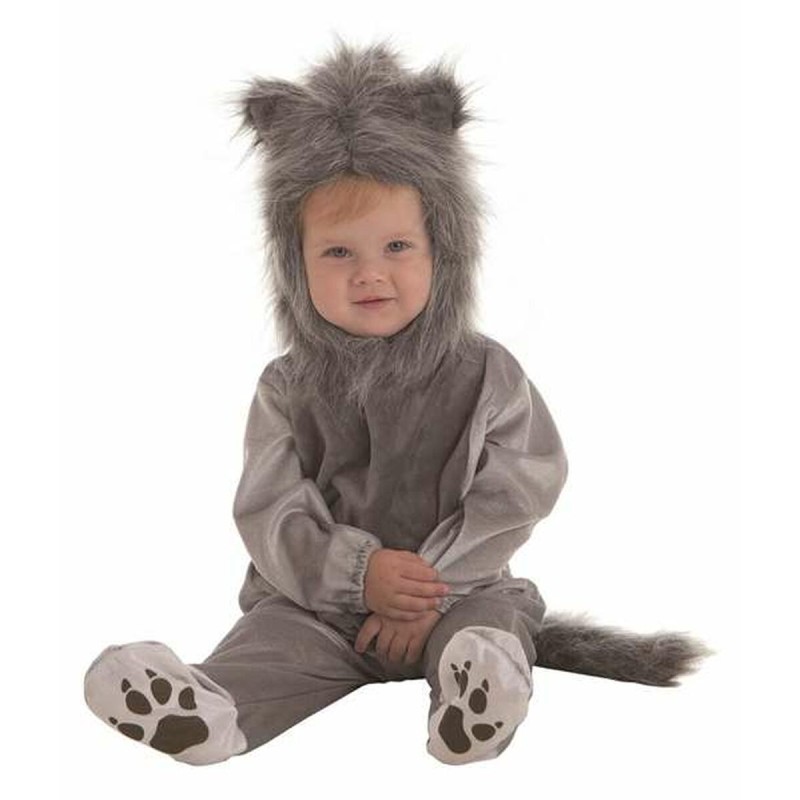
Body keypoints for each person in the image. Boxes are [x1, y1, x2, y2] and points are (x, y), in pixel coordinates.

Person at [83, 36, 711, 767]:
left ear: (443, 251)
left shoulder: (485, 372)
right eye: (338, 252)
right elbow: (270, 511)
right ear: (294, 266)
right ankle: (209, 709)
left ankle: (477, 686)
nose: (369, 274)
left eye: (397, 248)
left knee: (494, 618)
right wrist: (358, 578)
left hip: (460, 590)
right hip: (319, 606)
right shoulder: (286, 387)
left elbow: (519, 490)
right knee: (274, 641)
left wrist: (428, 594)